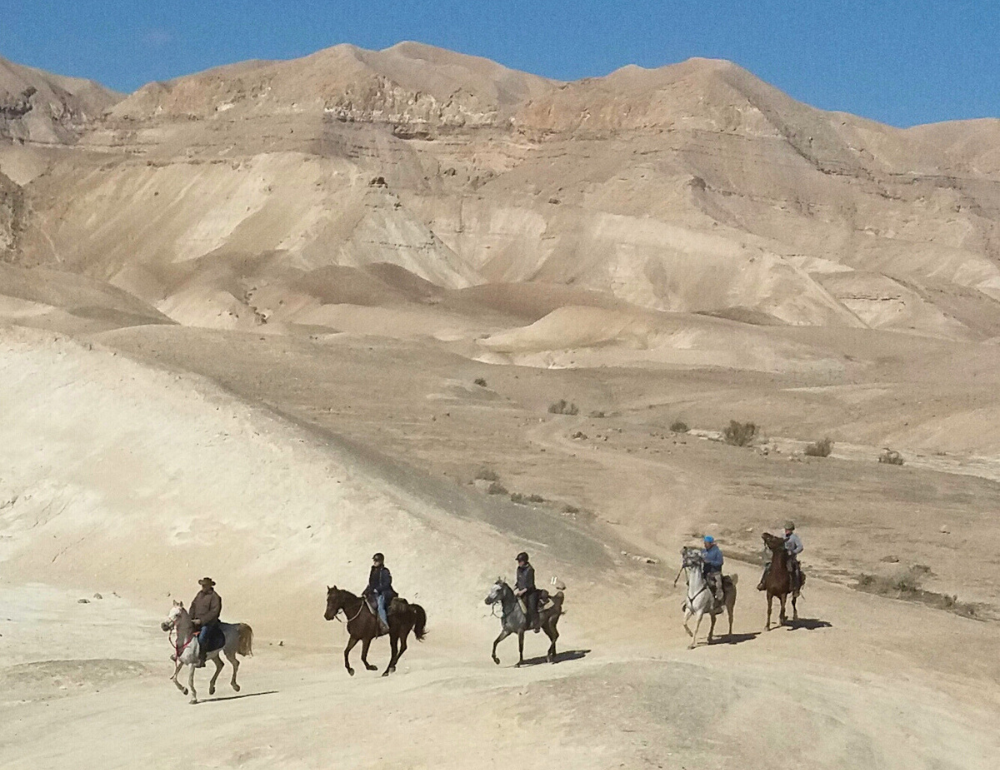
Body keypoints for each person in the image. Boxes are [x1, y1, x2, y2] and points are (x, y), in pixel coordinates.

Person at [757, 521, 804, 591]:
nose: (786, 531)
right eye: (786, 529)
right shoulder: (782, 536)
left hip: (789, 558)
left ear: (791, 530)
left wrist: (793, 552)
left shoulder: (795, 538)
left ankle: (795, 587)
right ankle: (763, 583)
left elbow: (800, 547)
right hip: (781, 557)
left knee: (795, 571)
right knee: (768, 566)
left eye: (788, 529)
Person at [190, 577, 222, 668]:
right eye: (202, 585)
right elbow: (193, 606)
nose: (203, 587)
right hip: (195, 621)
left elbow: (214, 612)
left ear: (209, 586)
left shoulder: (215, 597)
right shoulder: (199, 594)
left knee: (202, 638)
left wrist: (201, 621)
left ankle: (201, 659)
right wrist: (190, 618)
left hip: (208, 623)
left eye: (205, 585)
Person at [364, 553, 395, 632]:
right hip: (373, 593)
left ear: (381, 561)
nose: (374, 562)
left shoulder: (385, 571)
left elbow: (387, 583)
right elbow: (371, 583)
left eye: (376, 560)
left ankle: (385, 625)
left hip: (383, 593)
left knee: (380, 607)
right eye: (374, 560)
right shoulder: (373, 571)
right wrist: (365, 591)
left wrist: (378, 589)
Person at [514, 552, 540, 632]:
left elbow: (530, 585)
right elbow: (518, 581)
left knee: (531, 607)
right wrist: (514, 588)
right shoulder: (519, 569)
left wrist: (522, 592)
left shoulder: (530, 570)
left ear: (524, 561)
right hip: (521, 591)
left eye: (520, 561)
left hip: (530, 592)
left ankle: (536, 625)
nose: (519, 563)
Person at [701, 536, 725, 603]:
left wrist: (710, 562)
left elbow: (720, 562)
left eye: (706, 543)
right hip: (705, 573)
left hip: (715, 574)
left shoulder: (717, 552)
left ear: (711, 543)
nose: (705, 544)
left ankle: (718, 602)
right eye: (704, 543)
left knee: (718, 587)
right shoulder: (703, 551)